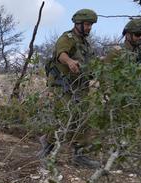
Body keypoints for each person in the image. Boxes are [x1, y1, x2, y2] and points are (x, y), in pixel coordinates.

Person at [41, 9, 100, 168]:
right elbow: (61, 53)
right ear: (77, 24)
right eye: (87, 24)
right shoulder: (67, 38)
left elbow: (92, 63)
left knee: (82, 120)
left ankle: (80, 156)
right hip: (64, 86)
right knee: (63, 118)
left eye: (91, 25)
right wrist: (69, 62)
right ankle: (47, 149)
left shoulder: (85, 43)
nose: (89, 28)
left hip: (81, 87)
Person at [103, 19, 141, 101]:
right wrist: (109, 94)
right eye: (137, 34)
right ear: (127, 35)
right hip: (124, 100)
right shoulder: (116, 52)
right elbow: (106, 74)